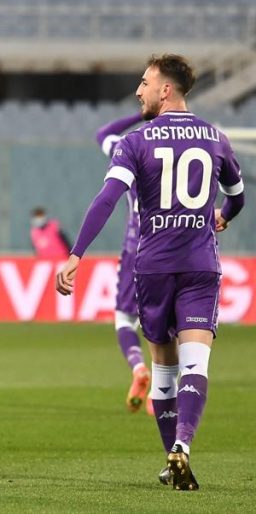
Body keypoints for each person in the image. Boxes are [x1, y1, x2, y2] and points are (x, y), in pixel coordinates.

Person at [56, 54, 245, 490]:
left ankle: (173, 461)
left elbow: (107, 199)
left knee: (163, 368)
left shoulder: (135, 141)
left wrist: (76, 254)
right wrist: (222, 214)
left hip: (154, 268)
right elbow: (237, 196)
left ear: (165, 90)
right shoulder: (216, 138)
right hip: (200, 265)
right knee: (197, 362)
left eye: (144, 83)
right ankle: (183, 448)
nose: (138, 91)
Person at [95, 113, 155, 415]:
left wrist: (139, 115)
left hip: (134, 248)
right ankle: (162, 390)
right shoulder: (185, 149)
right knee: (164, 324)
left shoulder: (129, 146)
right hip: (172, 246)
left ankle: (138, 366)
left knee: (123, 318)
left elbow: (103, 132)